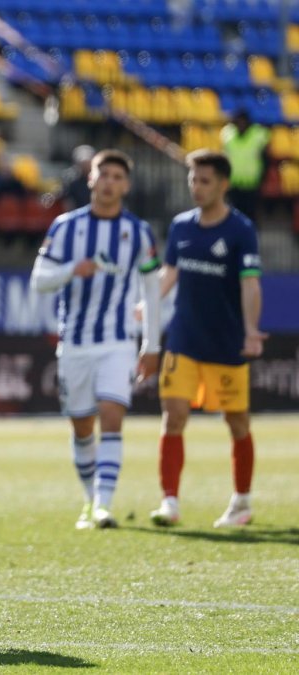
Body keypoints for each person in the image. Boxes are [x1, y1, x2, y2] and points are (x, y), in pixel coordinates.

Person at [30, 150, 162, 530]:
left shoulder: (138, 231)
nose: (109, 183)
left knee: (111, 415)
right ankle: (89, 500)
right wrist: (73, 270)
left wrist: (152, 345)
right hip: (74, 343)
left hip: (118, 341)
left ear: (127, 186)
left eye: (118, 177)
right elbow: (39, 280)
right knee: (82, 426)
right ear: (91, 179)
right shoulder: (65, 227)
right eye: (104, 175)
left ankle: (104, 504)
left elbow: (152, 290)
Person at [150, 150, 265, 529]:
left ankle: (242, 501)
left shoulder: (240, 230)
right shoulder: (181, 226)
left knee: (237, 422)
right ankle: (169, 501)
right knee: (174, 416)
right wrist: (148, 305)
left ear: (223, 184)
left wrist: (251, 330)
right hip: (183, 338)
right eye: (192, 180)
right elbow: (169, 272)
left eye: (204, 181)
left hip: (226, 342)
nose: (196, 188)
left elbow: (250, 284)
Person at [220, 110, 270, 222]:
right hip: (234, 183)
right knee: (234, 216)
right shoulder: (227, 134)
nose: (240, 124)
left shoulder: (259, 134)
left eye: (243, 121)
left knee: (250, 216)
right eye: (238, 121)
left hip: (252, 184)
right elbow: (225, 157)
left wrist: (263, 178)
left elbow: (266, 158)